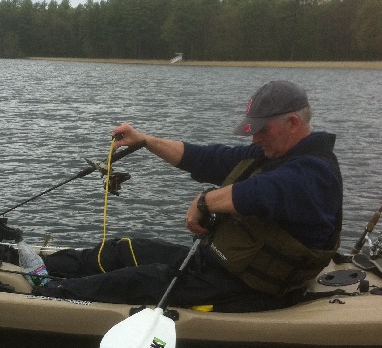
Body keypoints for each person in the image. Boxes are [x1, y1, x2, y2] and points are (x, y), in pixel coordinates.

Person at [41, 80, 343, 312]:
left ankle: (43, 296)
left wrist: (204, 202)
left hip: (250, 290)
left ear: (292, 123)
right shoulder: (274, 154)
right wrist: (145, 141)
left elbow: (259, 193)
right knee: (123, 251)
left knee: (138, 280)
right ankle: (33, 264)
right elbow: (207, 159)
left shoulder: (315, 172)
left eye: (263, 129)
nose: (255, 138)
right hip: (214, 267)